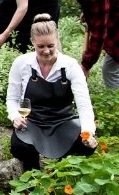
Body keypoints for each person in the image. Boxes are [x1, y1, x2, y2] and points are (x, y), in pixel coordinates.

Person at [7, 14, 97, 172]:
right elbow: (12, 98)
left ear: (57, 41)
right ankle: (32, 181)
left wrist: (87, 131)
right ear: (32, 42)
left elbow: (83, 104)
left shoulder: (70, 66)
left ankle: (63, 175)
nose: (46, 51)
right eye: (41, 47)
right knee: (20, 146)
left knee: (85, 146)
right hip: (32, 121)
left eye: (50, 45)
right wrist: (15, 116)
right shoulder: (21, 63)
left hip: (63, 121)